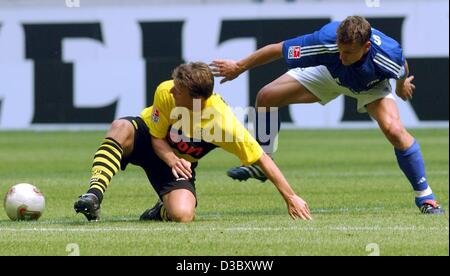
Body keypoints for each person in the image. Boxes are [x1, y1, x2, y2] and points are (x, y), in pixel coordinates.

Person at [210, 15, 444, 214]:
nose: (342, 55)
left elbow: (401, 67)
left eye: (348, 52)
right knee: (265, 97)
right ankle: (264, 162)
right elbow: (278, 49)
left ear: (366, 47)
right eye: (340, 49)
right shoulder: (327, 41)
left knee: (394, 130)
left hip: (370, 85)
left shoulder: (387, 55)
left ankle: (425, 197)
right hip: (330, 74)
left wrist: (402, 87)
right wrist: (238, 67)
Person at [74, 62, 312, 222]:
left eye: (179, 90)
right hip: (148, 139)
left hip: (179, 165)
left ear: (195, 98)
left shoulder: (223, 124)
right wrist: (170, 157)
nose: (172, 91)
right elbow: (156, 137)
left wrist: (291, 196)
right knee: (120, 127)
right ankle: (94, 194)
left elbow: (261, 158)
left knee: (183, 215)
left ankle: (160, 210)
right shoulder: (165, 91)